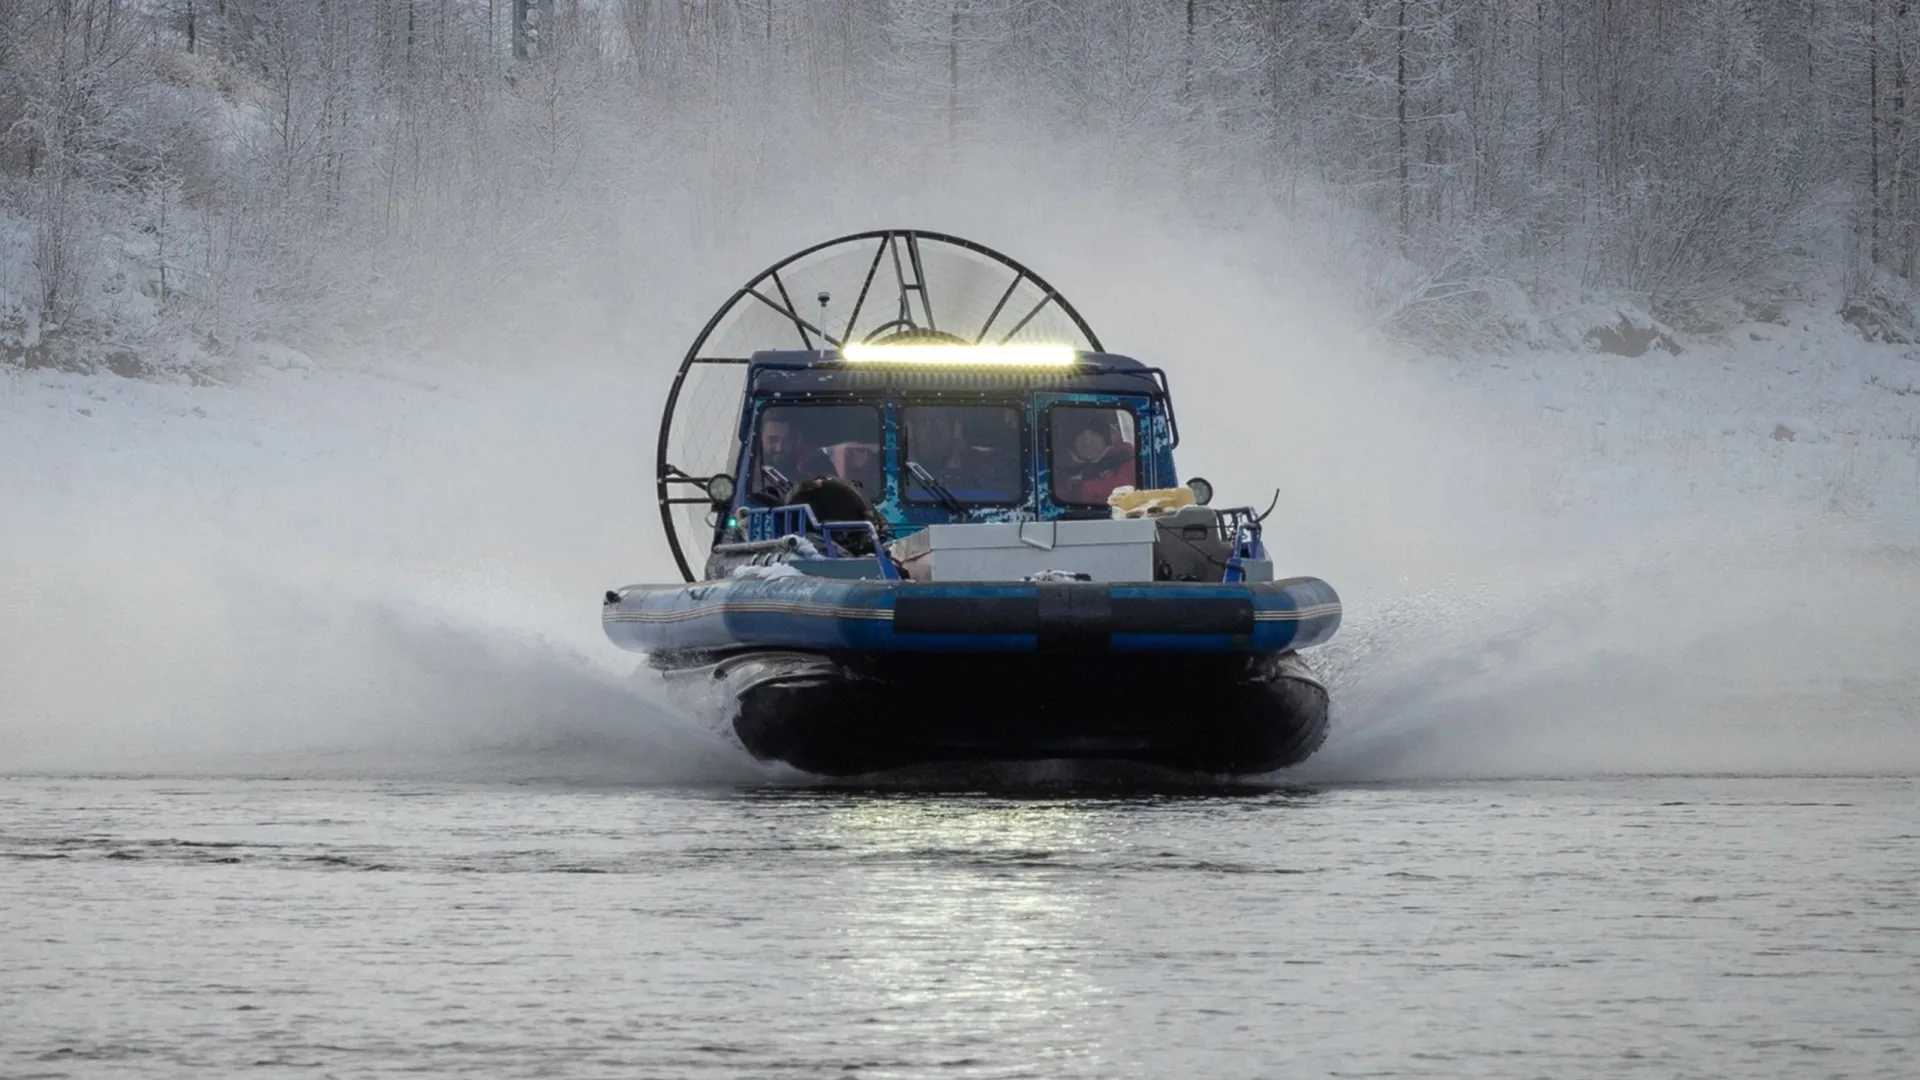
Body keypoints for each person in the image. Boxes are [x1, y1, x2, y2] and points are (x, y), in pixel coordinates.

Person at [1054, 411, 1136, 504]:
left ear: (1105, 438)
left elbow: (1124, 491)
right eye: (1081, 436)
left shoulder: (1125, 457)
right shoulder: (1063, 469)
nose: (1087, 442)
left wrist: (1083, 488)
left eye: (1093, 434)